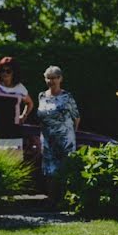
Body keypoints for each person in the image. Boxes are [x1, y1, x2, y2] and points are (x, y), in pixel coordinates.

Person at [36, 65, 80, 202]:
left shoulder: (67, 96)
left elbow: (76, 117)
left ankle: (65, 200)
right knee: (49, 171)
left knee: (65, 169)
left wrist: (71, 133)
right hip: (48, 139)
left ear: (60, 78)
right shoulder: (41, 96)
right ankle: (51, 200)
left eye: (54, 78)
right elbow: (41, 117)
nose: (51, 81)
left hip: (65, 139)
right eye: (48, 78)